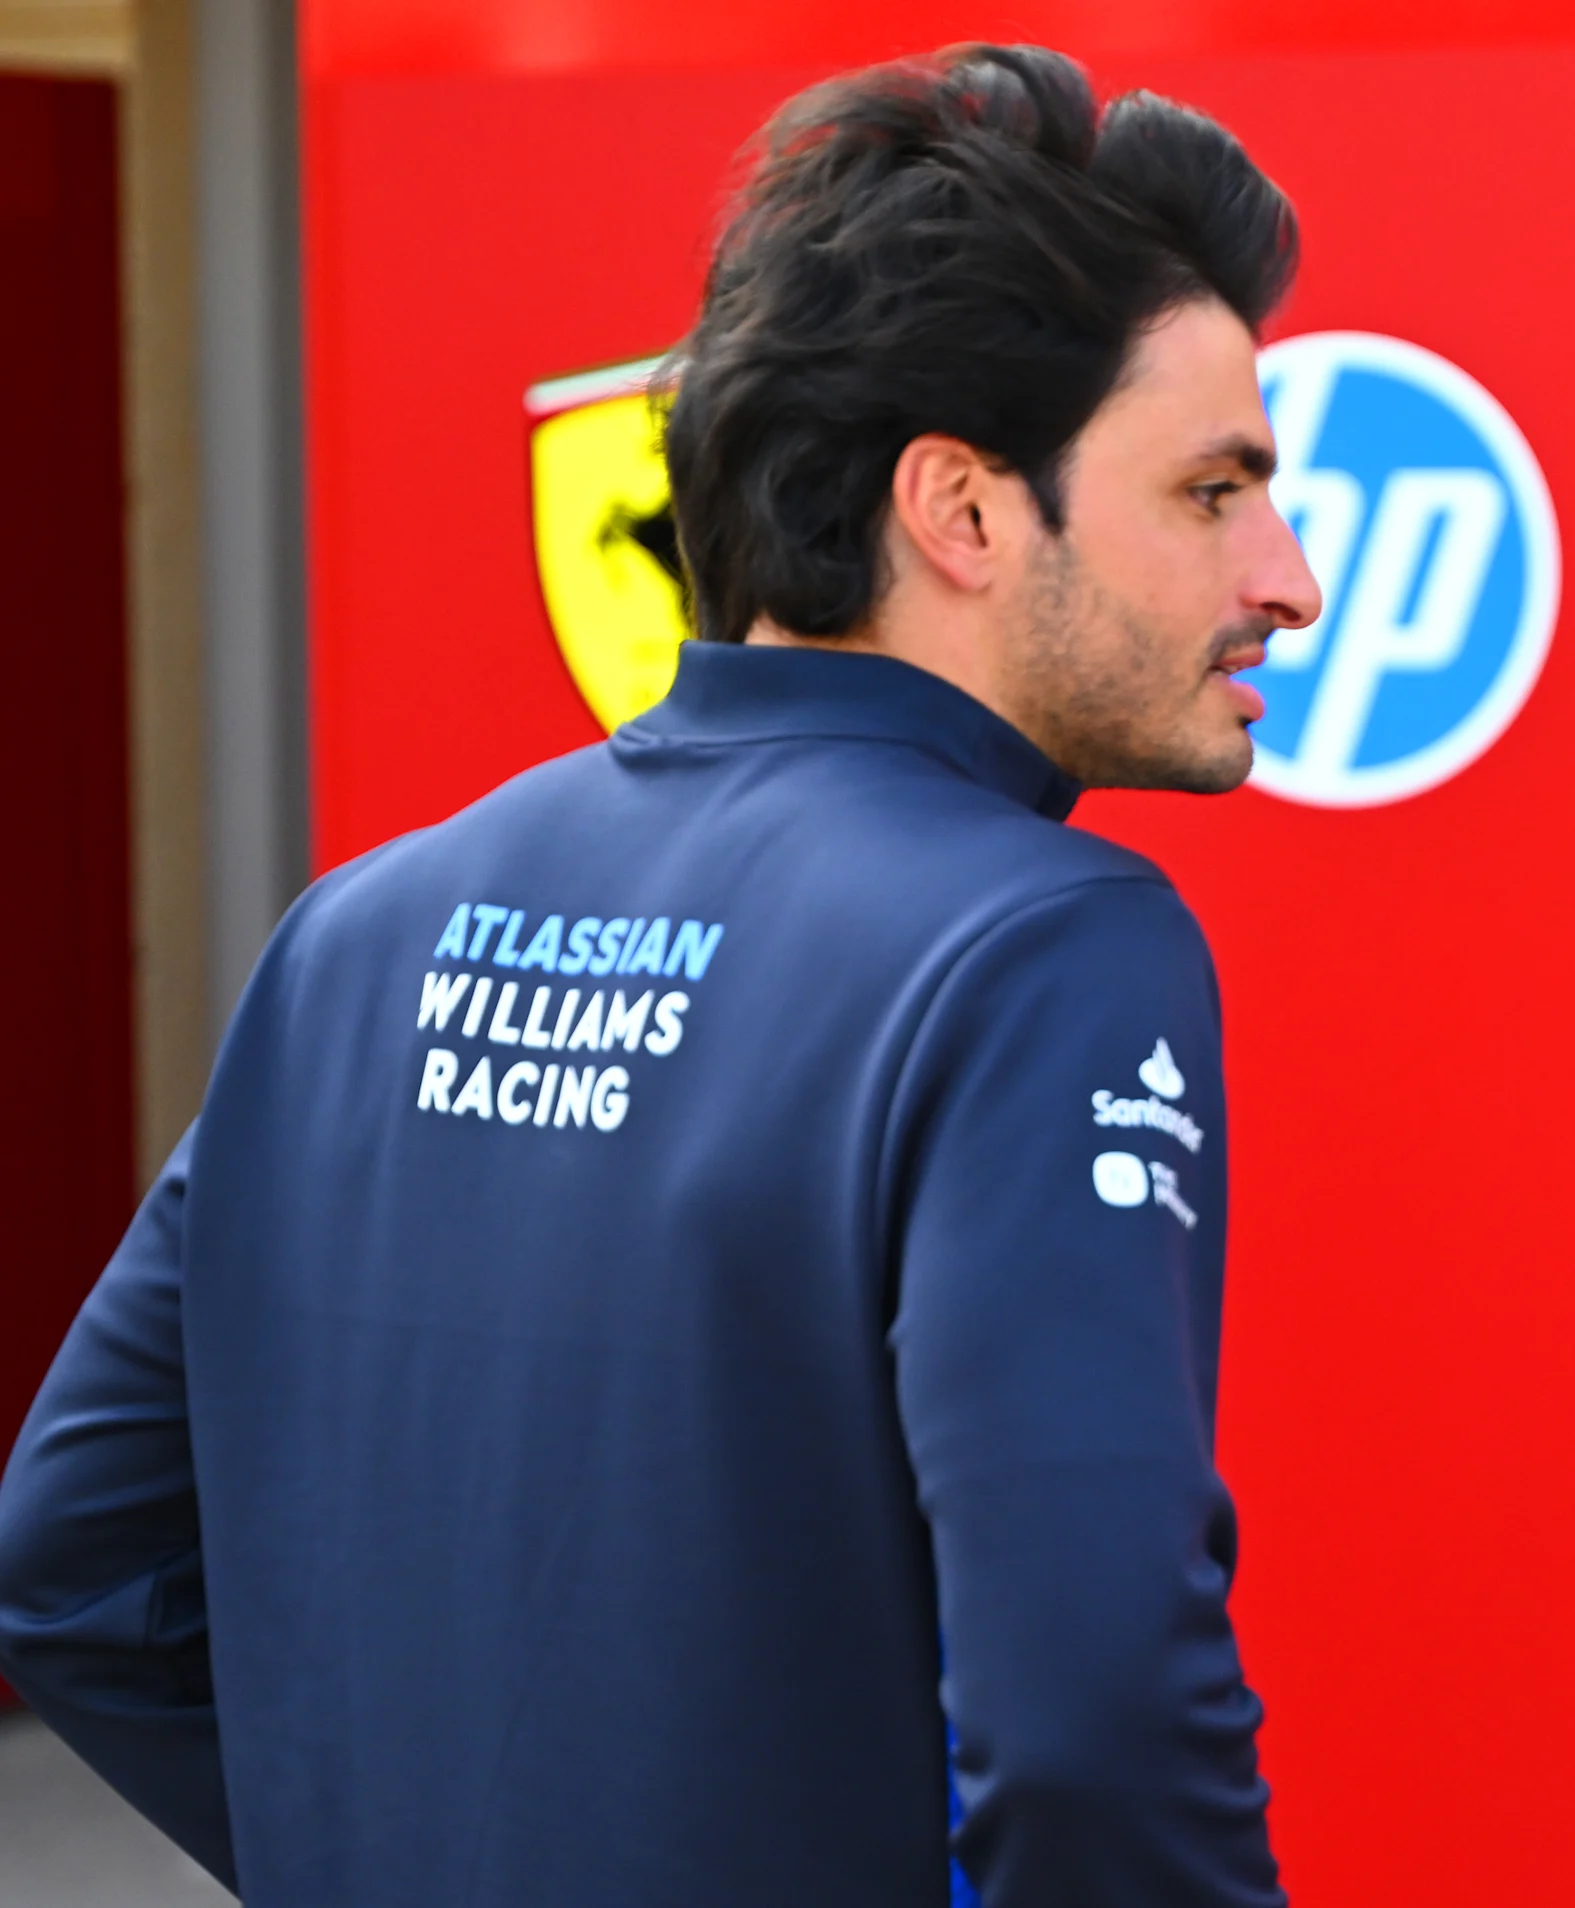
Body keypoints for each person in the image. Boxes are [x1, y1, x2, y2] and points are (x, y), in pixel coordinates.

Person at [0, 45, 1315, 1908]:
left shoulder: (363, 931)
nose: (1287, 573)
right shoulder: (1041, 946)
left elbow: (80, 1564)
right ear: (958, 508)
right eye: (1212, 490)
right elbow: (1097, 1718)